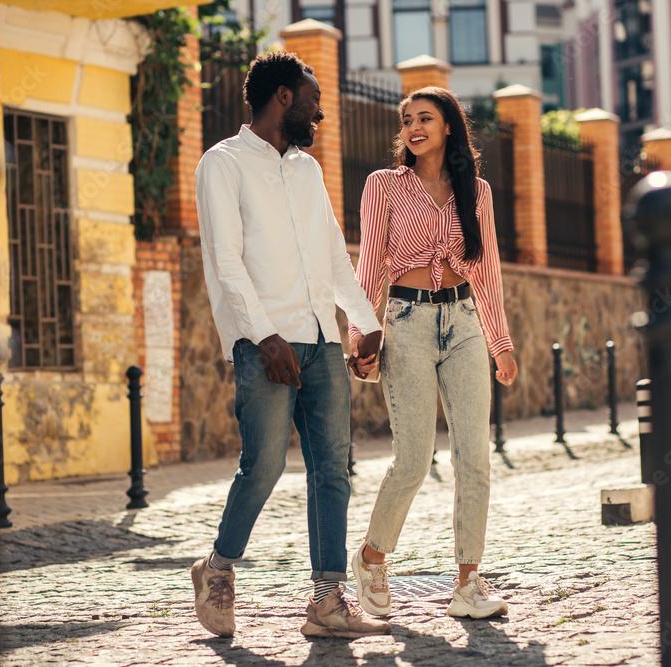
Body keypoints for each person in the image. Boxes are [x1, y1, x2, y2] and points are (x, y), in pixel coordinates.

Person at [192, 51, 391, 639]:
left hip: (322, 341)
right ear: (282, 97)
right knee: (264, 466)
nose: (320, 113)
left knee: (333, 469)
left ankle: (327, 601)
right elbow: (227, 260)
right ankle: (218, 568)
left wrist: (362, 319)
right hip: (265, 344)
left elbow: (331, 251)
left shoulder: (308, 170)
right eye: (312, 100)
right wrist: (264, 334)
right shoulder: (222, 164)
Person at [346, 86, 519, 620]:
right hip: (407, 323)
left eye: (425, 117)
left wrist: (501, 343)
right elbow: (371, 264)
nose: (413, 127)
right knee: (414, 460)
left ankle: (468, 582)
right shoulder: (384, 186)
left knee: (475, 457)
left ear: (449, 126)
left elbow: (486, 270)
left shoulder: (478, 192)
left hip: (465, 321)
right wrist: (360, 335)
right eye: (406, 120)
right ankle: (372, 559)